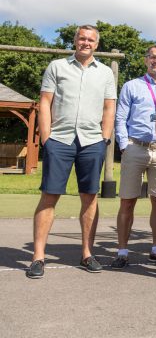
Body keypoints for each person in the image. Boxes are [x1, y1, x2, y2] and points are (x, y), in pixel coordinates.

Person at [27, 25, 117, 279]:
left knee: (90, 197)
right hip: (60, 139)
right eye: (81, 38)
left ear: (96, 44)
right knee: (49, 196)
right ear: (75, 40)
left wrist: (105, 138)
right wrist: (47, 138)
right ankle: (38, 257)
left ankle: (87, 253)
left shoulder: (105, 73)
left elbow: (109, 106)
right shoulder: (57, 66)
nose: (85, 42)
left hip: (92, 141)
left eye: (90, 39)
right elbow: (45, 101)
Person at [112, 45, 156, 270]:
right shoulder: (132, 86)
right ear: (145, 60)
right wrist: (124, 145)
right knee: (127, 201)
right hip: (135, 147)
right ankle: (122, 251)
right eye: (152, 57)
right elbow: (120, 117)